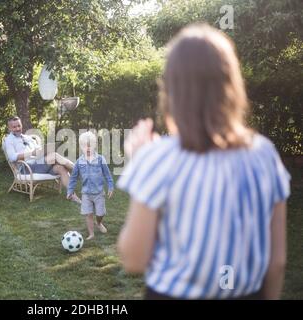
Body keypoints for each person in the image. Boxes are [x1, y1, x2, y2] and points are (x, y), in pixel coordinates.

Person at [116, 24, 290, 300]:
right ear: (231, 84)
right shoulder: (265, 154)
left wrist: (141, 165)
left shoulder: (159, 159)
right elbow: (277, 261)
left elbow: (134, 258)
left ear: (172, 89)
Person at [4, 116, 81, 203]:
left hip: (38, 163)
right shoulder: (9, 140)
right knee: (55, 156)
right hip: (26, 168)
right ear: (9, 128)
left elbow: (38, 149)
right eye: (14, 127)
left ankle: (72, 195)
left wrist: (45, 150)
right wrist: (32, 153)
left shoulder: (27, 138)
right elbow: (12, 157)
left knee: (60, 168)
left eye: (19, 125)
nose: (17, 128)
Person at [67, 131, 114, 240]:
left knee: (100, 213)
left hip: (99, 193)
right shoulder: (79, 162)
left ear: (95, 145)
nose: (87, 148)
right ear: (81, 147)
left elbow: (107, 175)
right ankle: (91, 233)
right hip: (86, 193)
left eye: (90, 145)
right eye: (84, 146)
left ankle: (99, 222)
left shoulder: (100, 159)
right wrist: (70, 191)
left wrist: (111, 186)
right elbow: (73, 178)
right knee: (88, 214)